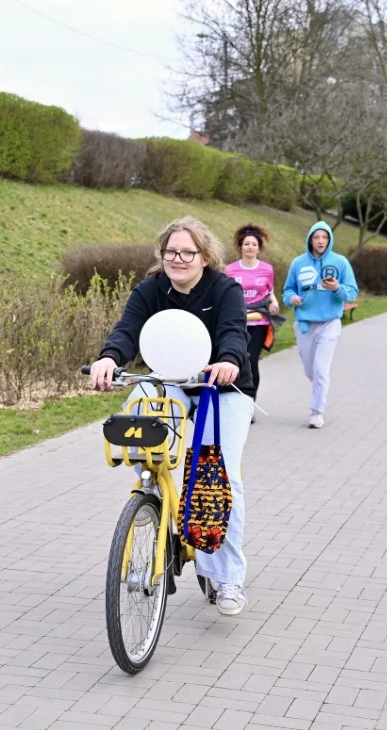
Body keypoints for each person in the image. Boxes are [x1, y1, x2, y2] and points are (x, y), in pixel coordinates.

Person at [88, 217, 254, 616]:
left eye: (187, 252)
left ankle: (227, 578)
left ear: (205, 256)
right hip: (171, 381)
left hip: (222, 387)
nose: (178, 259)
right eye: (171, 252)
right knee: (139, 403)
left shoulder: (225, 289)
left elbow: (234, 332)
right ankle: (152, 494)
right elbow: (127, 330)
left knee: (219, 475)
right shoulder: (150, 290)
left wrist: (229, 360)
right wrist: (109, 358)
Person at [283, 221, 359, 429]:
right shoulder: (298, 263)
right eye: (316, 237)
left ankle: (316, 412)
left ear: (329, 240)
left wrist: (336, 288)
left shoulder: (340, 262)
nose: (320, 241)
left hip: (330, 323)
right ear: (310, 240)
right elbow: (287, 290)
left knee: (320, 370)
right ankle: (320, 387)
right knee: (311, 371)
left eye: (324, 237)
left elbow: (352, 292)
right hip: (305, 325)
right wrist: (292, 299)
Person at [224, 223, 282, 406]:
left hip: (259, 322)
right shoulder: (230, 270)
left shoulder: (267, 269)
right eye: (247, 244)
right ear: (240, 247)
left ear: (259, 248)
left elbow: (269, 291)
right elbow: (225, 295)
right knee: (235, 361)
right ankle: (235, 402)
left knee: (251, 361)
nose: (250, 247)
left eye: (254, 244)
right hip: (237, 322)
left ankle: (249, 404)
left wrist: (274, 303)